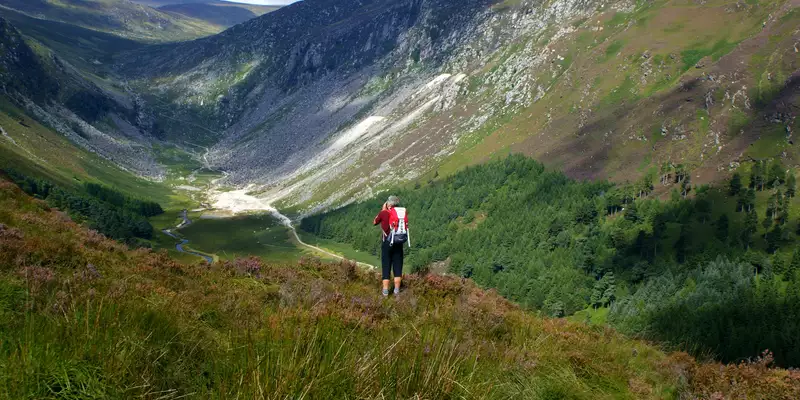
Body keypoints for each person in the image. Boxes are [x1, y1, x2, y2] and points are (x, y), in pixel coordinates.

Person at [373, 195, 407, 296]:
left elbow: (374, 222)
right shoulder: (401, 213)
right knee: (397, 267)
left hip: (387, 243)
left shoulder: (384, 213)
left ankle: (385, 292)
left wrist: (383, 210)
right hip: (398, 242)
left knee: (386, 265)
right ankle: (397, 291)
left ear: (388, 204)